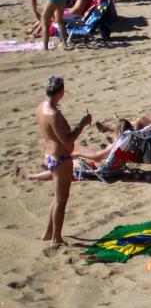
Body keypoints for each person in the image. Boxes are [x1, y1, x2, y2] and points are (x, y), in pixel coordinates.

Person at [26, 76, 91, 245]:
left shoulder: (41, 107)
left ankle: (48, 233)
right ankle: (56, 238)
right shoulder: (53, 114)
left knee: (56, 198)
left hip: (50, 156)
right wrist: (83, 123)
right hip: (60, 159)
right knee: (61, 200)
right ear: (60, 91)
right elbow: (67, 141)